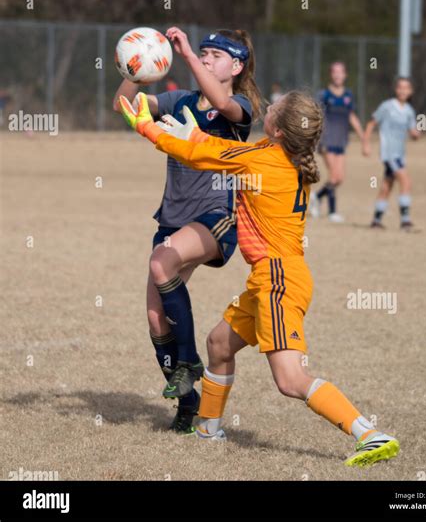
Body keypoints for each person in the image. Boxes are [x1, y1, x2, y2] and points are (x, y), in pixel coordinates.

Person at [118, 90, 401, 467]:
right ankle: (208, 430)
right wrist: (191, 133)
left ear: (280, 131)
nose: (266, 109)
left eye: (273, 109)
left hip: (279, 279)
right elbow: (216, 149)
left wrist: (147, 128)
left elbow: (203, 156)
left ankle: (369, 433)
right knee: (219, 344)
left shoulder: (264, 160)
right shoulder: (278, 156)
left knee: (289, 380)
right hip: (270, 277)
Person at [112, 27, 262, 433]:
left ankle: (190, 360)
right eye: (203, 53)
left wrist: (188, 58)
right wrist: (136, 66)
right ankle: (187, 401)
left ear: (236, 65)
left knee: (161, 264)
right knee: (155, 319)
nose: (206, 59)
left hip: (216, 215)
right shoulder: (179, 101)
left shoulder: (239, 108)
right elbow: (123, 103)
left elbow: (221, 100)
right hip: (173, 218)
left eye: (215, 55)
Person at [309, 61, 364, 222]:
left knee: (339, 178)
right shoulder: (323, 95)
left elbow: (352, 116)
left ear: (345, 75)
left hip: (341, 141)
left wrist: (363, 138)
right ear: (331, 74)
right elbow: (315, 115)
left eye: (341, 72)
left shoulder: (348, 95)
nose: (338, 75)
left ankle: (317, 197)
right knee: (333, 176)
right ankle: (332, 212)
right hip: (326, 141)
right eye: (335, 72)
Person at [363, 77, 420, 229]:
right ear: (396, 90)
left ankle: (376, 220)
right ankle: (405, 221)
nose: (403, 90)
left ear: (410, 91)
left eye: (406, 87)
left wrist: (415, 134)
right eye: (400, 87)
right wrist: (366, 144)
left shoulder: (409, 111)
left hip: (400, 154)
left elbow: (412, 131)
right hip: (389, 153)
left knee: (387, 186)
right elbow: (371, 123)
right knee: (406, 182)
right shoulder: (387, 106)